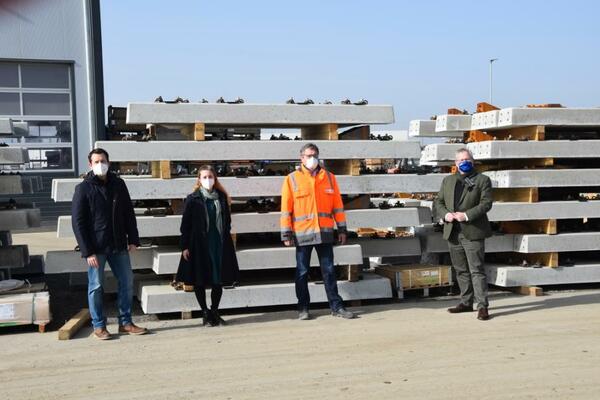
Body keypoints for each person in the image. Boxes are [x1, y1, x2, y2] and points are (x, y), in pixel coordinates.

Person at [72, 148, 147, 339]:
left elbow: (128, 213)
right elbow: (78, 222)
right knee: (96, 286)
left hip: (118, 244)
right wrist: (87, 251)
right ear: (90, 164)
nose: (100, 165)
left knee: (127, 282)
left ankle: (126, 322)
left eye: (103, 161)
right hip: (96, 248)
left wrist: (134, 239)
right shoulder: (83, 189)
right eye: (96, 162)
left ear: (109, 162)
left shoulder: (119, 184)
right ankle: (99, 326)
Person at [280, 143, 356, 320]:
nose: (312, 158)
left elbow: (338, 206)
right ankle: (303, 309)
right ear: (301, 158)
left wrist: (342, 229)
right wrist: (286, 233)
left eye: (314, 155)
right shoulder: (291, 179)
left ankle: (337, 307)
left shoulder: (329, 178)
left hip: (325, 234)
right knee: (302, 272)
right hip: (302, 234)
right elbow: (286, 209)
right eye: (308, 155)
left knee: (329, 271)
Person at [434, 148, 493, 320]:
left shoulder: (483, 180)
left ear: (473, 161)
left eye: (466, 159)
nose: (463, 162)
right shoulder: (448, 181)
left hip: (473, 231)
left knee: (477, 270)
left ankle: (483, 306)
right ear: (455, 163)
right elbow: (439, 202)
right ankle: (466, 302)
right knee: (460, 270)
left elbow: (486, 204)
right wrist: (445, 214)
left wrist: (466, 215)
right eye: (460, 160)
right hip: (453, 232)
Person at [176, 165, 239, 326]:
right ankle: (204, 311)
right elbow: (185, 226)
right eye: (204, 177)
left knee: (218, 278)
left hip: (219, 242)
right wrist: (185, 246)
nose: (208, 180)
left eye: (210, 176)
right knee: (200, 278)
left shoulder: (222, 197)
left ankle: (215, 311)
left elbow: (227, 221)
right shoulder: (193, 199)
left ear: (215, 178)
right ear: (199, 179)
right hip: (199, 244)